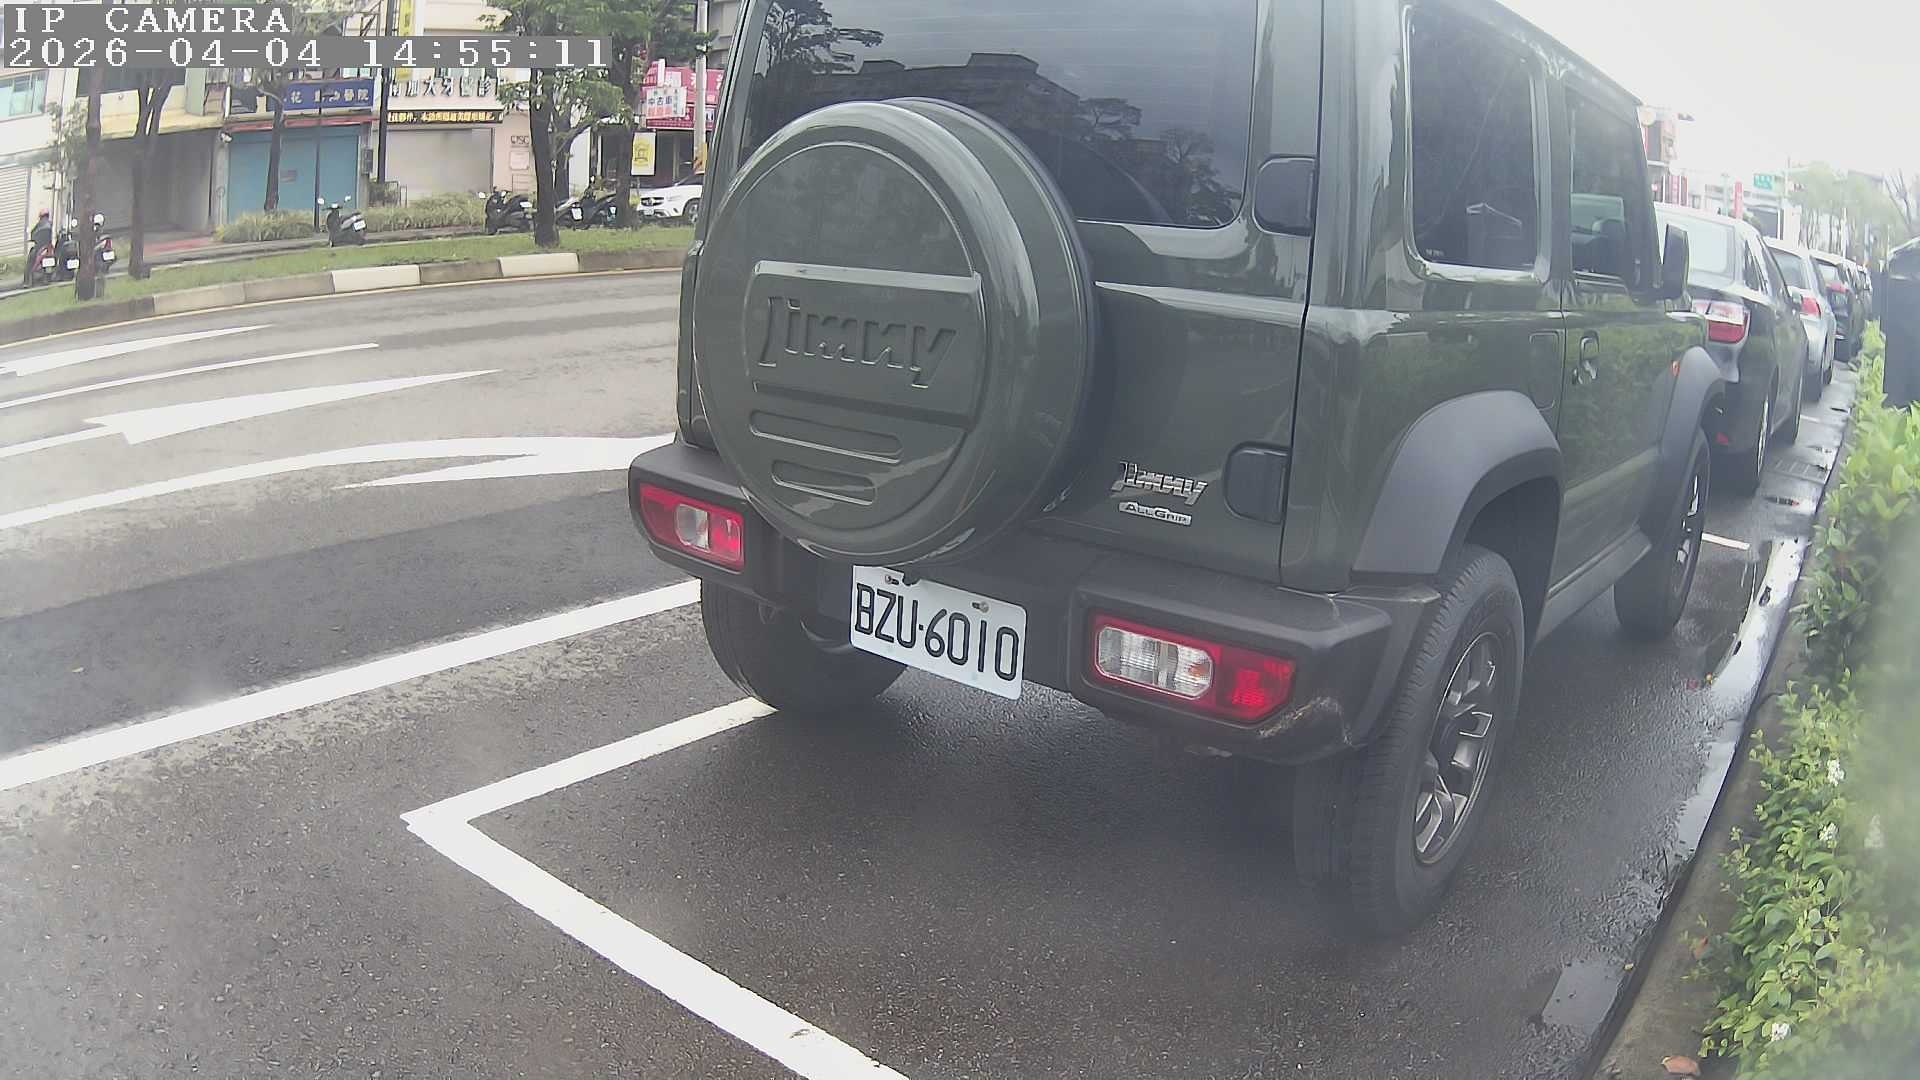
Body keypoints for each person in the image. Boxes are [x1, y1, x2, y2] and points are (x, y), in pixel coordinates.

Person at [24, 210, 51, 285]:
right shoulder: (50, 224)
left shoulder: (39, 224)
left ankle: (27, 281)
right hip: (48, 247)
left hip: (40, 247)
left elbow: (33, 233)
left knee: (30, 261)